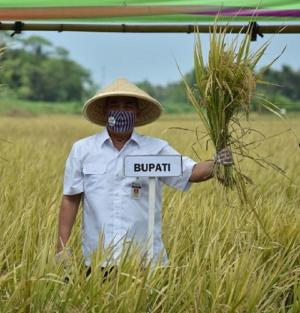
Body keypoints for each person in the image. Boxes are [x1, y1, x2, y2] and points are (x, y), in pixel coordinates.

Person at [56, 78, 233, 271]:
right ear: (105, 111)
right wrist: (61, 248)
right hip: (98, 261)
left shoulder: (155, 150)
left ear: (138, 113)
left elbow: (192, 172)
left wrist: (217, 163)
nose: (121, 111)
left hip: (146, 262)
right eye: (115, 105)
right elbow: (71, 199)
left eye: (128, 106)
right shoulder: (83, 150)